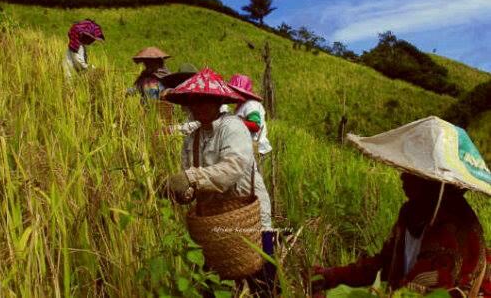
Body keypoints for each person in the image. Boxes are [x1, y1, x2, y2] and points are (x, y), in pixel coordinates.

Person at [314, 116, 491, 297]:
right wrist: (333, 276)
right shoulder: (413, 214)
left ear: (434, 183)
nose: (403, 177)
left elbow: (415, 292)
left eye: (413, 173)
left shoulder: (452, 228)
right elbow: (385, 263)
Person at [163, 68, 275, 294]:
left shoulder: (232, 127)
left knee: (262, 273)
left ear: (218, 102)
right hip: (215, 217)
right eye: (195, 100)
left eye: (207, 100)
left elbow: (231, 169)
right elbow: (191, 187)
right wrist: (181, 192)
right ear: (188, 103)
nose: (200, 105)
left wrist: (189, 178)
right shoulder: (192, 139)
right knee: (218, 272)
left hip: (248, 209)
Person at [228, 74, 272, 158]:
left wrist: (237, 121)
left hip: (256, 149)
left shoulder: (251, 104)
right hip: (247, 148)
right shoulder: (242, 106)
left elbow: (255, 125)